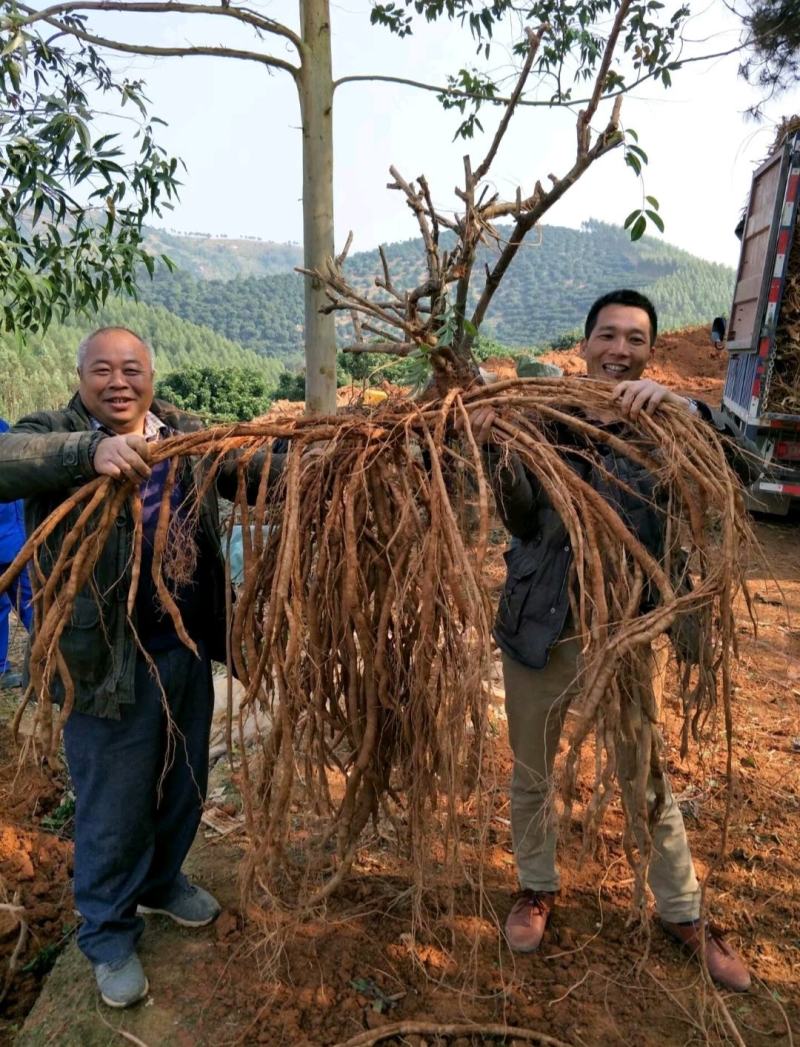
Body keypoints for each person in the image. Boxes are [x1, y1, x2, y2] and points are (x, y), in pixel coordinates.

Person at [468, 290, 751, 992]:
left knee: (643, 772)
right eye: (607, 335)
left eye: (634, 338)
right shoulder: (543, 413)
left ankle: (682, 909)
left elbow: (741, 475)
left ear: (648, 350)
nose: (619, 349)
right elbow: (523, 517)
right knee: (531, 769)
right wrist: (498, 442)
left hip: (628, 629)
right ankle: (536, 884)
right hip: (540, 623)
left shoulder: (665, 420)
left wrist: (692, 414)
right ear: (586, 343)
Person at [0, 327, 284, 1009]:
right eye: (103, 370)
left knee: (184, 779)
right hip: (104, 660)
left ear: (152, 377)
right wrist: (88, 451)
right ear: (81, 377)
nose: (119, 381)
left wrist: (334, 459)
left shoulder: (182, 434)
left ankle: (161, 882)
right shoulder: (55, 432)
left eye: (133, 369)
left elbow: (257, 472)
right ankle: (107, 932)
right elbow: (7, 457)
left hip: (183, 644)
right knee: (112, 803)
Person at [0, 419, 32, 689]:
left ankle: (53, 659)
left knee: (33, 602)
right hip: (8, 540)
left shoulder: (6, 429)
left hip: (19, 541)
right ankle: (1, 669)